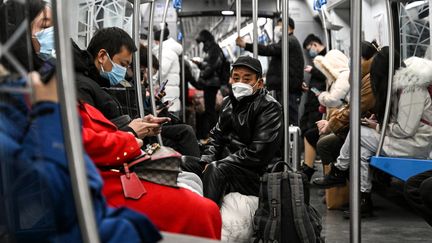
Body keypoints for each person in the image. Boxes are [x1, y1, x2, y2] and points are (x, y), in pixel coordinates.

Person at [0, 1, 161, 242]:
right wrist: (128, 134)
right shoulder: (40, 96)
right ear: (19, 34)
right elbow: (55, 189)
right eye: (45, 24)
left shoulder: (41, 87)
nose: (54, 35)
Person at [314, 48, 432, 218]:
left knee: (359, 132)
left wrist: (377, 127)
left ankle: (339, 170)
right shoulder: (402, 88)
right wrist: (377, 124)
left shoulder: (412, 90)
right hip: (409, 140)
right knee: (362, 149)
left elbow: (405, 129)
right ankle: (363, 200)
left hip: (417, 145)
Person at [182, 56, 283, 206]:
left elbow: (258, 153)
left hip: (255, 173)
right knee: (183, 162)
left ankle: (208, 219)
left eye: (247, 79)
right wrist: (208, 159)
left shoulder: (269, 107)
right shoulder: (228, 103)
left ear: (259, 83)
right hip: (227, 163)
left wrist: (219, 163)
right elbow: (216, 136)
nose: (240, 83)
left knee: (216, 170)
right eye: (236, 78)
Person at [315, 41, 378, 173]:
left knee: (324, 144)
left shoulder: (367, 78)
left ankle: (337, 178)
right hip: (359, 122)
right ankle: (339, 182)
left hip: (367, 126)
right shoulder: (361, 77)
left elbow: (353, 107)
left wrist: (331, 124)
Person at [235, 17, 304, 125]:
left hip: (288, 90)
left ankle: (292, 142)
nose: (277, 28)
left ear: (288, 27)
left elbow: (270, 50)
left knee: (290, 122)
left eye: (279, 25)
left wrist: (246, 45)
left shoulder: (289, 41)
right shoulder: (289, 41)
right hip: (286, 88)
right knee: (286, 120)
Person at [300, 49, 350, 180]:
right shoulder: (336, 78)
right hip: (338, 120)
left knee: (317, 139)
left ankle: (318, 175)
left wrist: (321, 96)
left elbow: (333, 99)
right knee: (311, 135)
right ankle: (309, 169)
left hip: (342, 124)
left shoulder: (344, 77)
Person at [298, 34, 327, 178]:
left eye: (310, 48)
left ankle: (308, 169)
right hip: (313, 100)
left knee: (311, 132)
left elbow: (328, 77)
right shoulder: (317, 59)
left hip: (320, 103)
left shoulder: (326, 58)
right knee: (305, 128)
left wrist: (314, 71)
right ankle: (307, 167)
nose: (310, 52)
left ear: (315, 44)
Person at [195, 30, 224, 142]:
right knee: (209, 109)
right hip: (211, 82)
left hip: (212, 83)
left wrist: (202, 73)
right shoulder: (212, 48)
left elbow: (213, 65)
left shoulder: (214, 49)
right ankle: (213, 134)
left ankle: (215, 135)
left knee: (210, 110)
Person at [153, 24, 183, 114]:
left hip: (167, 98)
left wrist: (149, 81)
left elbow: (160, 72)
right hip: (169, 96)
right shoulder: (168, 50)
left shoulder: (165, 52)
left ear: (157, 40)